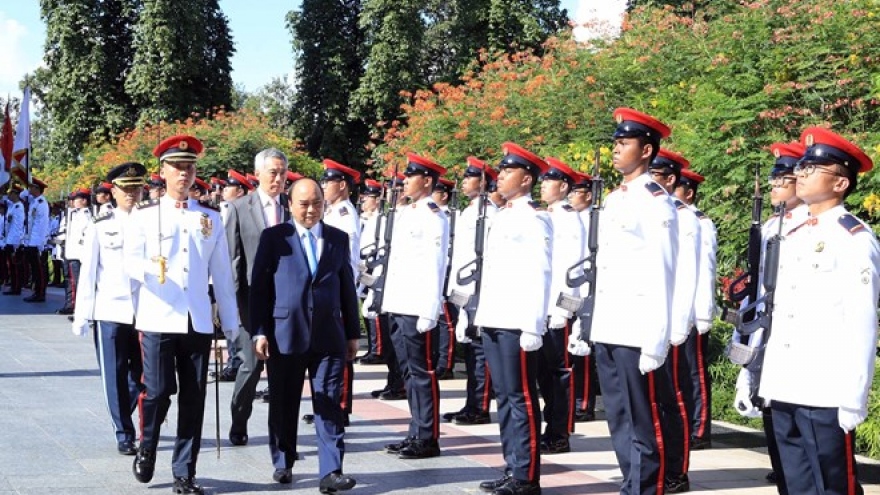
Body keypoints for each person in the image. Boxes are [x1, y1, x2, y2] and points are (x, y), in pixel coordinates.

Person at [757, 127, 880, 494]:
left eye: (814, 168)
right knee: (794, 484)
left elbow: (862, 321)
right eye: (803, 167)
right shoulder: (793, 234)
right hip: (785, 382)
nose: (801, 174)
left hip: (825, 388)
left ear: (841, 182)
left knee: (833, 485)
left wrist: (854, 396)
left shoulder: (853, 238)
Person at [125, 135, 240, 494]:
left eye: (189, 167)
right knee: (158, 392)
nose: (183, 174)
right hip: (159, 315)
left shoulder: (209, 218)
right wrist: (148, 265)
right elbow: (127, 262)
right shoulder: (145, 216)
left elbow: (221, 273)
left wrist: (233, 324)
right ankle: (147, 446)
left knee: (194, 396)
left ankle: (184, 471)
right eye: (176, 167)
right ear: (163, 171)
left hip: (197, 320)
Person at [250, 178, 359, 492]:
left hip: (329, 335)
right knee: (284, 401)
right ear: (290, 204)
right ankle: (283, 460)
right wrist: (259, 331)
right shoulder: (274, 238)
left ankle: (331, 471)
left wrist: (353, 332)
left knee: (329, 401)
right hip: (286, 333)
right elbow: (259, 289)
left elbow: (346, 287)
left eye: (317, 203)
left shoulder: (337, 238)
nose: (311, 210)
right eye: (304, 204)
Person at [590, 108, 678, 495]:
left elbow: (663, 271)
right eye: (615, 142)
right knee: (619, 416)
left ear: (646, 151)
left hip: (636, 329)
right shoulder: (616, 199)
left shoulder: (655, 201)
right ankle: (631, 483)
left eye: (624, 143)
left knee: (643, 419)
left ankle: (646, 487)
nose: (615, 149)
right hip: (610, 323)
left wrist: (655, 339)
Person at [471, 143, 551, 495]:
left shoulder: (536, 217)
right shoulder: (502, 215)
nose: (500, 176)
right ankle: (512, 466)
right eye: (501, 170)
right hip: (495, 317)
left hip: (517, 322)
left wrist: (534, 324)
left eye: (508, 171)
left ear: (527, 177)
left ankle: (526, 475)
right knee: (504, 397)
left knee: (520, 398)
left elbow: (541, 272)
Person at [731, 140, 808, 494]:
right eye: (775, 179)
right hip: (766, 329)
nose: (776, 184)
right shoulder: (769, 228)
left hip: (795, 335)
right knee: (771, 414)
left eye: (783, 178)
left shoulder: (809, 227)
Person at [71, 162, 147, 456]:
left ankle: (126, 413)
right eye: (126, 189)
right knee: (114, 374)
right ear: (113, 191)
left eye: (136, 188)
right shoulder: (99, 227)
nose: (131, 194)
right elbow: (88, 273)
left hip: (144, 310)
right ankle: (124, 432)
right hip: (109, 310)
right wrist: (82, 315)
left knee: (143, 375)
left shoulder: (150, 223)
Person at [379, 152, 449, 460]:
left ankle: (428, 437)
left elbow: (436, 264)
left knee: (422, 373)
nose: (405, 180)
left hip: (417, 306)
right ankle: (415, 430)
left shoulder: (434, 216)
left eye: (411, 176)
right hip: (400, 302)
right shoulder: (408, 212)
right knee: (408, 372)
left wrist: (430, 309)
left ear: (427, 181)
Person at [227, 148, 290, 446]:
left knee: (283, 372)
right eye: (272, 172)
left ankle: (280, 435)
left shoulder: (293, 207)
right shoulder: (240, 208)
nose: (278, 179)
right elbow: (233, 260)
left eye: (282, 172)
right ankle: (239, 420)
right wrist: (230, 305)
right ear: (259, 174)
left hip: (286, 303)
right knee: (251, 367)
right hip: (251, 301)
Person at [648, 148, 700, 492]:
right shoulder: (641, 206)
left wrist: (680, 323)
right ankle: (655, 467)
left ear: (670, 180)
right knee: (649, 401)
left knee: (671, 397)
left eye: (656, 175)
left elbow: (688, 274)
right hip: (644, 320)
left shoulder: (684, 217)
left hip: (670, 323)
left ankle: (677, 470)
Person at [444, 157, 498, 426]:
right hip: (465, 289)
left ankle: (480, 405)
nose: (464, 181)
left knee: (480, 351)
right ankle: (471, 402)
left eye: (470, 177)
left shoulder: (489, 212)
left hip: (479, 290)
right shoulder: (470, 211)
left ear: (484, 181)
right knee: (471, 349)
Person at [536, 156, 584, 455]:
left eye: (548, 180)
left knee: (559, 374)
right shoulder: (548, 216)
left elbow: (572, 268)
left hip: (557, 309)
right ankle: (549, 427)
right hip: (541, 308)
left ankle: (559, 433)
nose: (543, 185)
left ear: (563, 186)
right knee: (544, 374)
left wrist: (563, 310)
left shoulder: (569, 218)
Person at [674, 167, 718, 450]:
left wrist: (702, 312)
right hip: (674, 309)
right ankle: (681, 423)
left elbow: (706, 269)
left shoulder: (700, 222)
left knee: (694, 370)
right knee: (676, 372)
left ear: (688, 192)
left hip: (691, 310)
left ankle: (699, 429)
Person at [566, 172, 599, 423]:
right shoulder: (571, 219)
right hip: (572, 289)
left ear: (588, 195)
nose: (570, 196)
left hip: (589, 287)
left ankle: (584, 402)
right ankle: (572, 397)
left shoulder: (596, 219)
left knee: (584, 349)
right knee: (572, 349)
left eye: (574, 192)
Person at [432, 177, 458, 380]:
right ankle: (435, 358)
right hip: (438, 268)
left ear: (444, 195)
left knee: (446, 321)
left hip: (448, 269)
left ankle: (445, 363)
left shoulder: (452, 216)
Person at [22, 178, 50, 303]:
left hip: (37, 241)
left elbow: (42, 224)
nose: (29, 189)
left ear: (37, 189)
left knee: (39, 269)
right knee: (34, 268)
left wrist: (40, 242)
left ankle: (40, 293)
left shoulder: (41, 203)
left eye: (32, 187)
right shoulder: (34, 202)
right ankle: (36, 291)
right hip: (31, 240)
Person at [2, 185, 24, 295]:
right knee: (11, 265)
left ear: (16, 194)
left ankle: (16, 287)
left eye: (11, 193)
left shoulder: (18, 207)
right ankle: (13, 285)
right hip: (9, 239)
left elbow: (18, 226)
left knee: (15, 265)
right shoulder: (13, 206)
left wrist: (16, 242)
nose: (9, 195)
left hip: (14, 240)